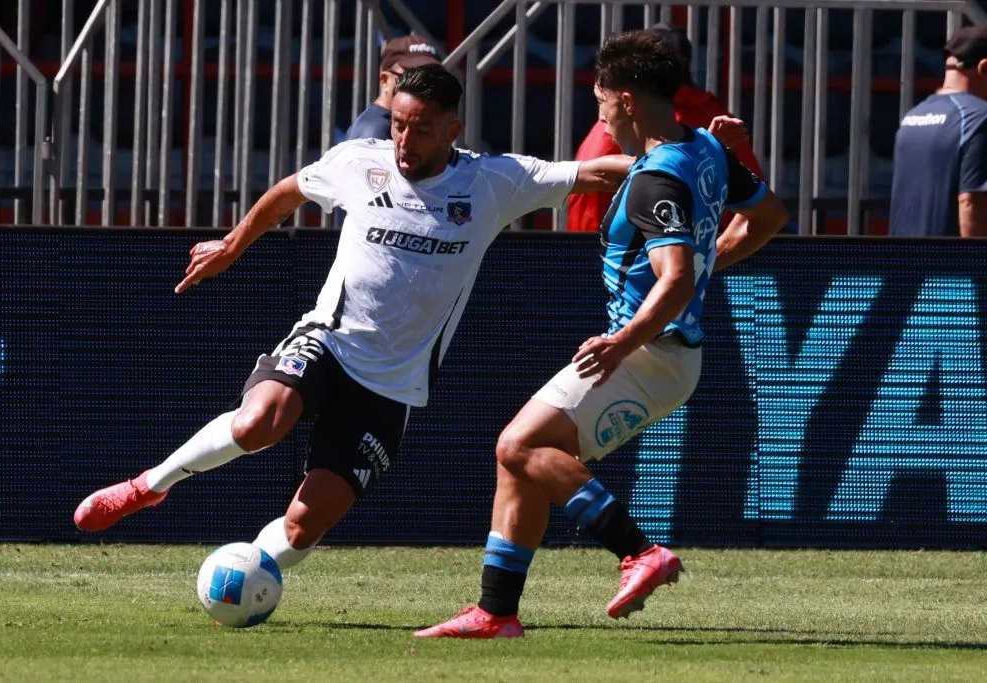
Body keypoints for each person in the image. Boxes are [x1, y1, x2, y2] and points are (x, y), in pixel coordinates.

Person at [71, 64, 648, 571]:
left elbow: (597, 172)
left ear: (452, 130)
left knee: (304, 527)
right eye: (398, 124)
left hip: (392, 386)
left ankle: (249, 574)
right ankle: (150, 485)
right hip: (329, 341)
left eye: (422, 130)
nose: (405, 141)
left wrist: (682, 161)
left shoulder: (494, 181)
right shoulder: (359, 162)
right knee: (258, 423)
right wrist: (231, 245)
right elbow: (290, 191)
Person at [416, 29, 788, 639]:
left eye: (602, 102)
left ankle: (639, 552)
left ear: (628, 101)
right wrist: (708, 261)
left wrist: (623, 342)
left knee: (517, 447)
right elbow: (769, 216)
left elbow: (674, 278)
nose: (602, 117)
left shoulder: (655, 181)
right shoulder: (703, 146)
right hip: (662, 352)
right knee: (522, 457)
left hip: (648, 355)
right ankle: (495, 612)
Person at [567, 23, 766, 233]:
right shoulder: (717, 124)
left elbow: (586, 221)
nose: (602, 115)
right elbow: (762, 211)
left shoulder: (618, 120)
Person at [889, 26, 987, 238]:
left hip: (900, 256)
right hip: (949, 258)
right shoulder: (980, 117)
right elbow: (970, 203)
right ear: (984, 68)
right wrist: (977, 257)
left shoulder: (912, 117)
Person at [344, 34, 442, 141]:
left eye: (431, 77)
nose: (424, 85)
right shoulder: (375, 134)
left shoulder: (394, 125)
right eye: (410, 77)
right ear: (385, 80)